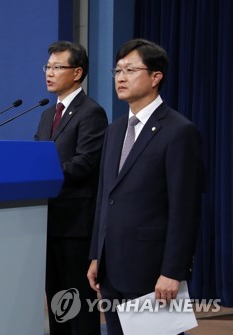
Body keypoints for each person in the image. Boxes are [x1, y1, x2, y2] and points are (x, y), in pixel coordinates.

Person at [87, 39, 205, 335]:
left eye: (130, 70)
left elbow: (184, 209)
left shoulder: (179, 131)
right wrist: (95, 255)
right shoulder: (114, 130)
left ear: (156, 77)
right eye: (117, 71)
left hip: (152, 271)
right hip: (111, 268)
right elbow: (105, 197)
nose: (121, 77)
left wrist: (173, 271)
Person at [35, 41, 108, 335]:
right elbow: (36, 157)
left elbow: (85, 163)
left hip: (76, 224)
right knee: (57, 304)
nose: (49, 73)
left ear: (77, 72)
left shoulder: (91, 112)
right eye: (47, 67)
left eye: (57, 67)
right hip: (45, 221)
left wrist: (42, 175)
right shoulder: (46, 114)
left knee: (77, 304)